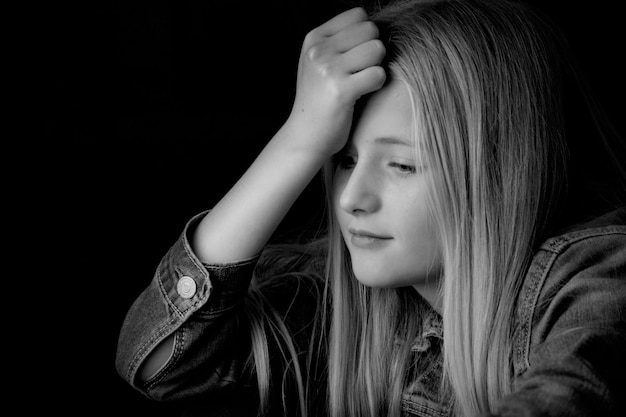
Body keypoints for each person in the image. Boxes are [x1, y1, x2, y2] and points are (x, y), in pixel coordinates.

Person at [115, 0, 626, 415]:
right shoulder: (361, 306)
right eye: (345, 160)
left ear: (501, 174)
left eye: (402, 166)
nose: (352, 199)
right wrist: (299, 140)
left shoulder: (597, 274)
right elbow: (161, 363)